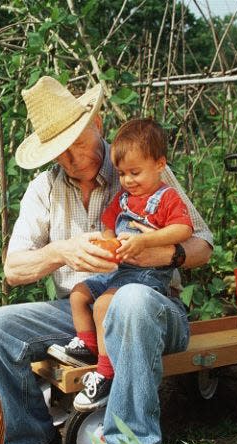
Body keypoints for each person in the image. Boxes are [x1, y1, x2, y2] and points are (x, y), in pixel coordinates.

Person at [0, 76, 213, 444]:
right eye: (57, 150)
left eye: (75, 144)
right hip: (81, 307)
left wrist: (165, 255)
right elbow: (13, 268)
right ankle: (33, 443)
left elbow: (202, 245)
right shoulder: (44, 188)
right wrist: (62, 251)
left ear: (97, 124)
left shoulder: (139, 168)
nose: (68, 157)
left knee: (131, 301)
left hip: (153, 304)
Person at [67, 118, 194, 412]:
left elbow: (183, 230)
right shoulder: (124, 200)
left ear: (160, 164)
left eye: (135, 173)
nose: (128, 180)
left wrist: (146, 242)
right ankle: (88, 346)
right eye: (122, 174)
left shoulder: (166, 198)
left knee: (101, 306)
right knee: (80, 293)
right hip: (121, 273)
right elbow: (109, 223)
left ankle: (105, 372)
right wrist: (110, 242)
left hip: (148, 280)